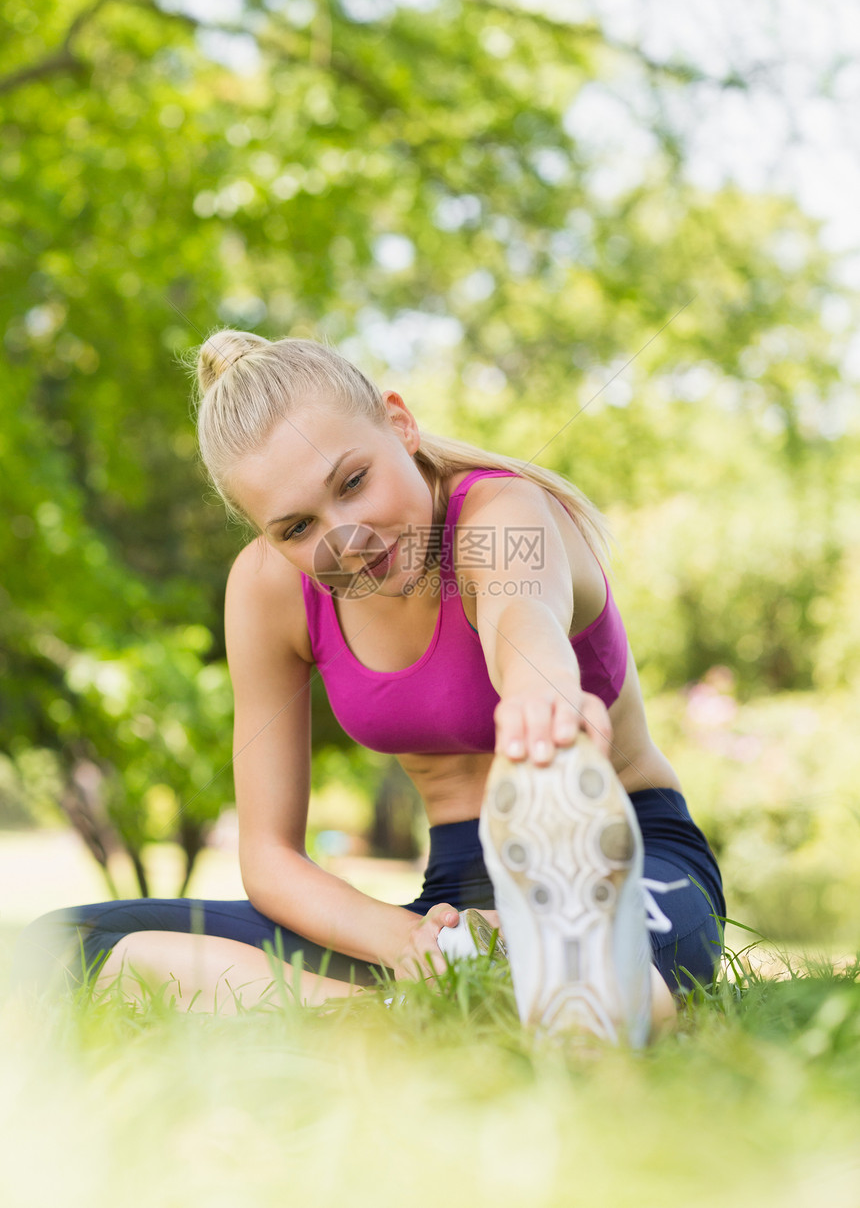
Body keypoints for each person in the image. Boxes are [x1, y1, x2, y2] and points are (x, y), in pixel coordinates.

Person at [12, 331, 725, 1042]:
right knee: (61, 946)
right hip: (450, 898)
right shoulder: (267, 588)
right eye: (296, 526)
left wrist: (541, 696)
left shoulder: (502, 516)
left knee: (583, 990)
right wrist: (403, 942)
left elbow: (522, 618)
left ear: (399, 422)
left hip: (622, 856)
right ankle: (385, 1018)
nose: (345, 538)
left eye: (352, 482)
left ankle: (546, 986)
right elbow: (269, 856)